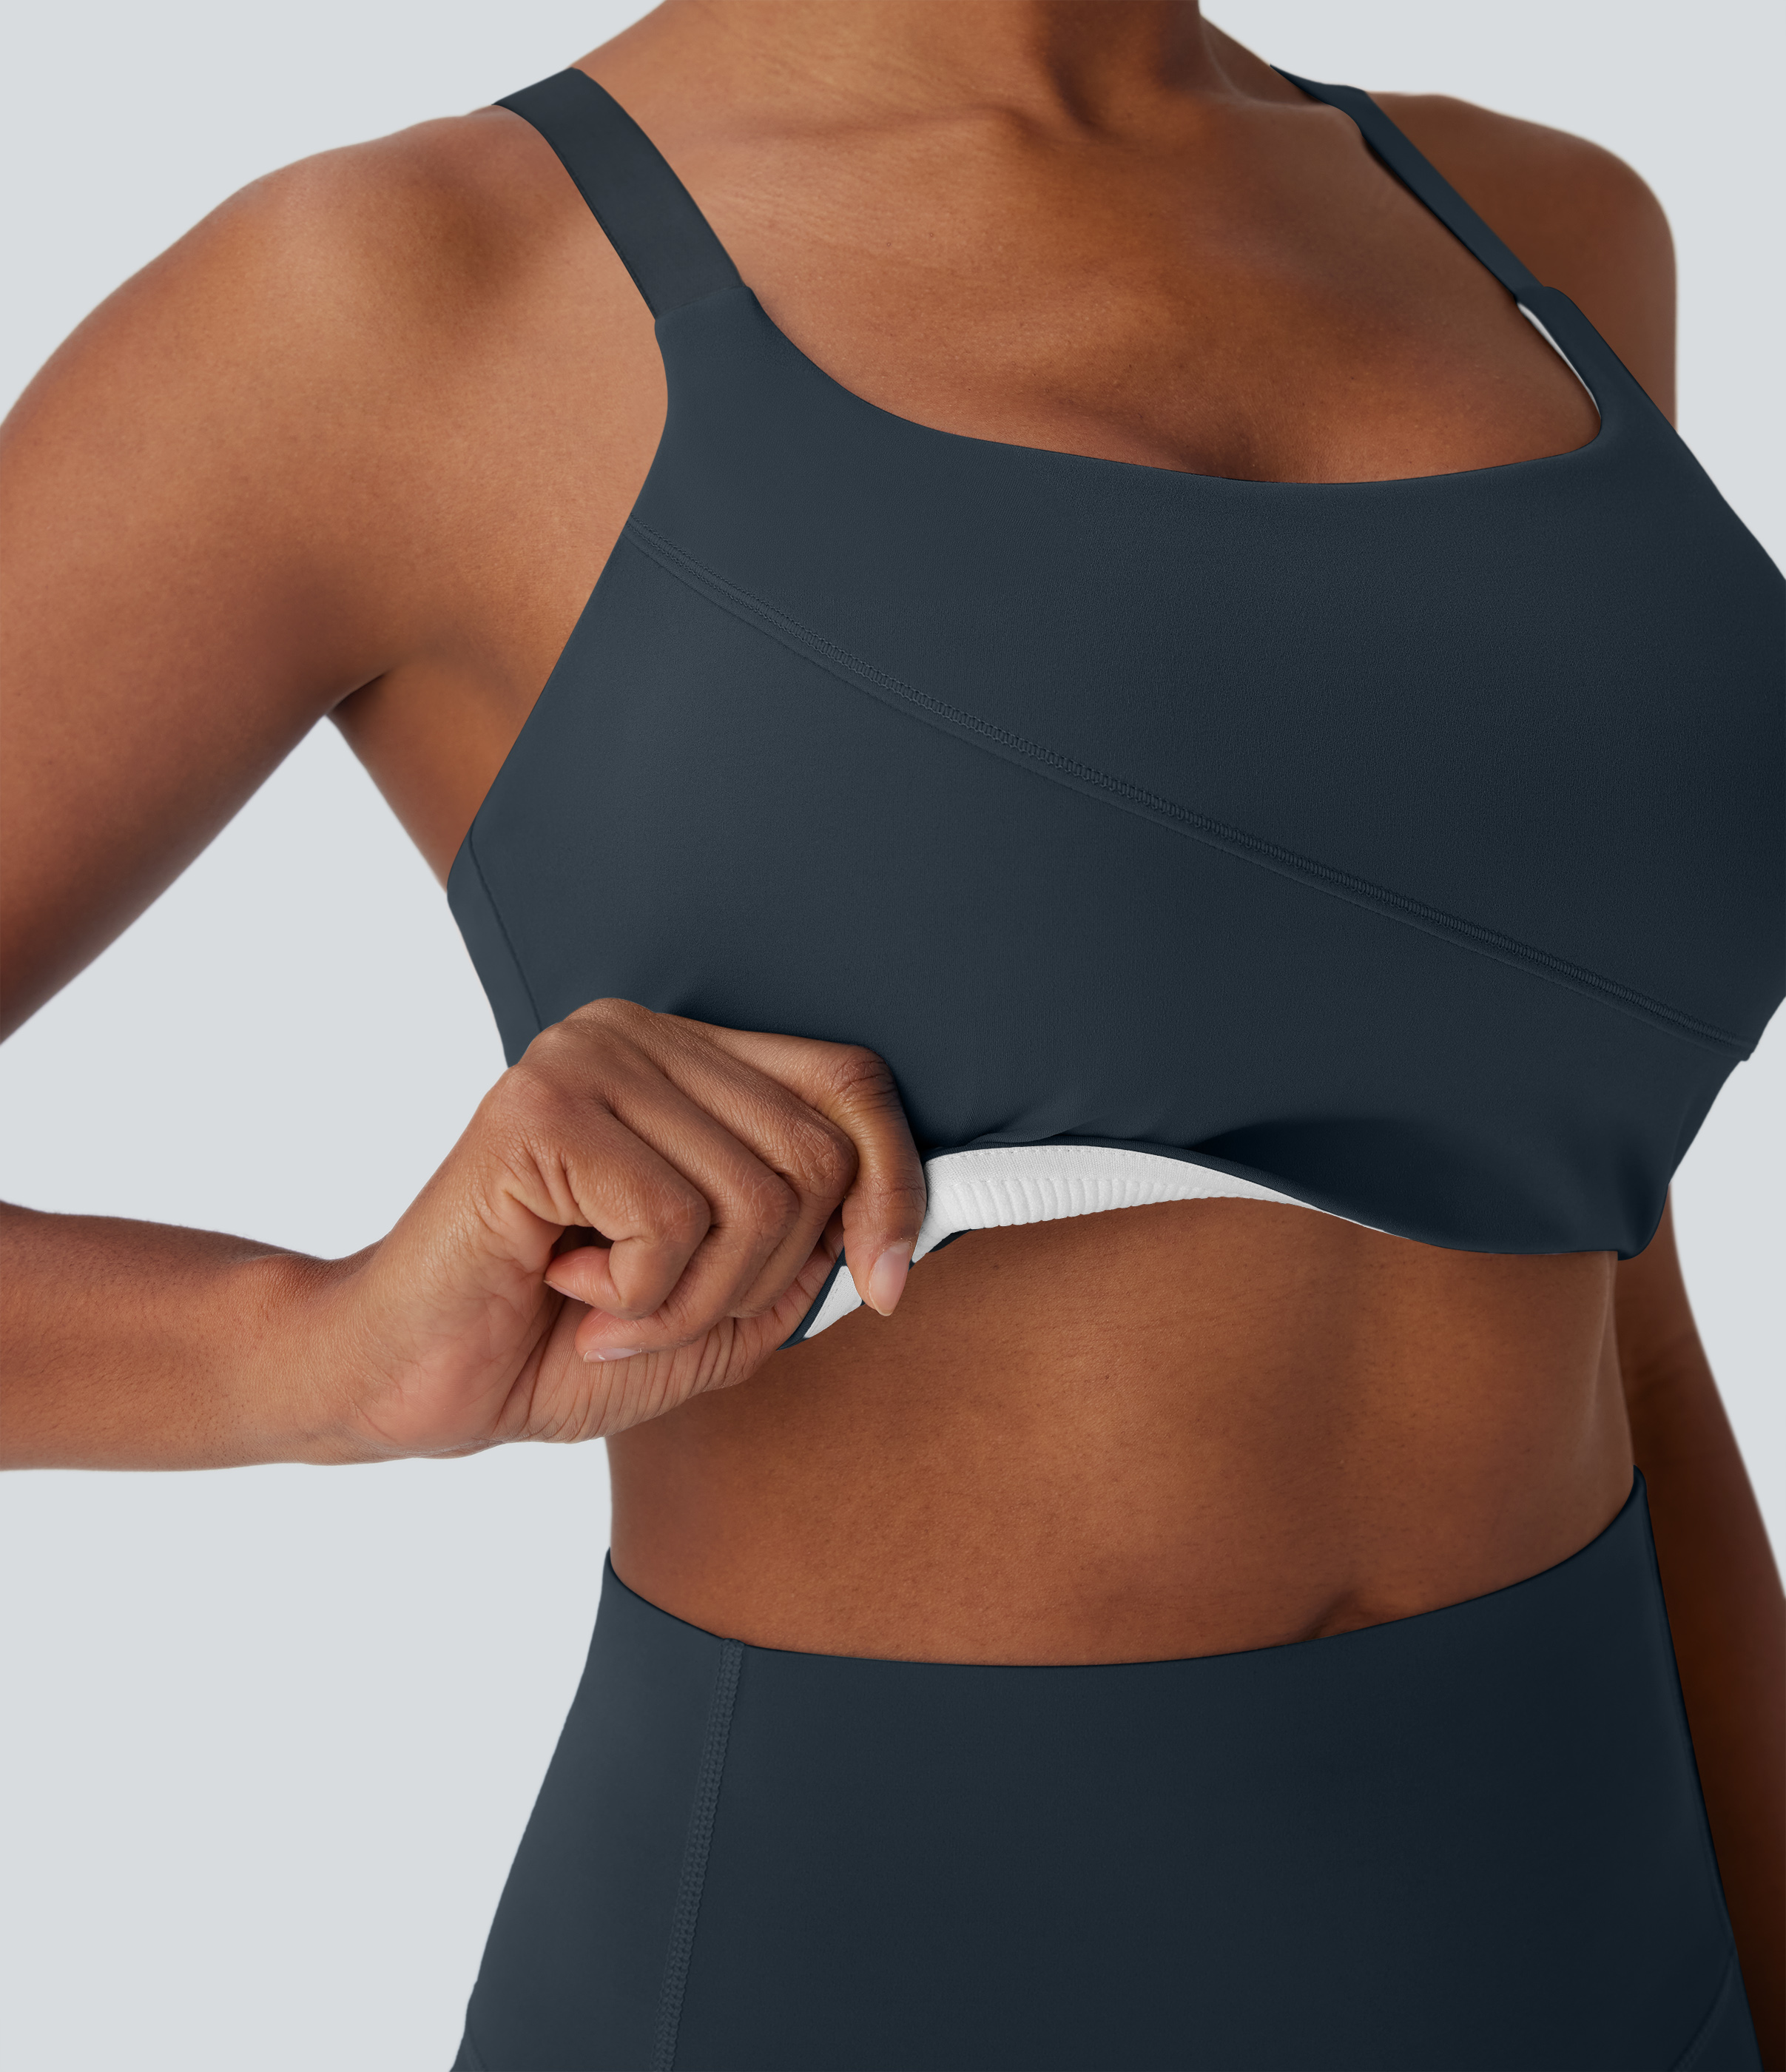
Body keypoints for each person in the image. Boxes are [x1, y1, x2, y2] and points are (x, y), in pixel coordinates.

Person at [1, 3, 1780, 2066]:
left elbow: (1609, 1257)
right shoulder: (399, 297)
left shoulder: (1539, 227)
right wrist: (316, 1351)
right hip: (868, 1961)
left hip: (1606, 1925)